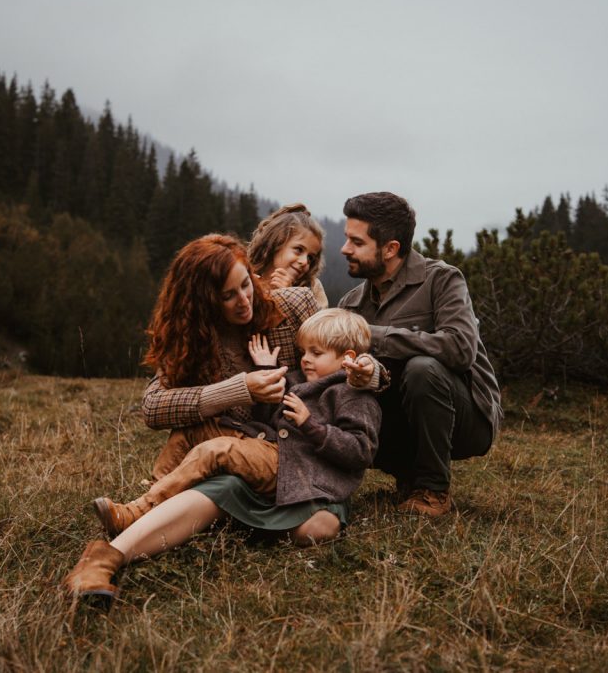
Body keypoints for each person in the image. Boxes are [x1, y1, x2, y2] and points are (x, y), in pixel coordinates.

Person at [60, 235, 377, 600]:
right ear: (203, 302)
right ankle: (138, 521)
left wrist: (366, 373)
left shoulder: (293, 306)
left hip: (298, 461)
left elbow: (347, 350)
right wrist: (241, 388)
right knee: (195, 441)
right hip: (252, 444)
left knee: (301, 515)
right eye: (227, 296)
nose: (244, 300)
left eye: (246, 284)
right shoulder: (195, 338)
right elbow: (154, 406)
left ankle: (147, 512)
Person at [90, 308, 381, 534]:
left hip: (294, 465)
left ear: (347, 358)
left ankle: (137, 514)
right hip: (267, 447)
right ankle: (153, 497)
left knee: (217, 450)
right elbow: (265, 418)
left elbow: (360, 452)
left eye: (316, 353)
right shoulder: (298, 379)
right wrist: (266, 370)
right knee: (192, 430)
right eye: (304, 351)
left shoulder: (352, 394)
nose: (305, 359)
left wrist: (311, 426)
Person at [337, 191, 503, 517]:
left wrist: (373, 335)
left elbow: (459, 349)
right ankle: (401, 475)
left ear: (390, 248)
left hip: (467, 419)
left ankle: (433, 489)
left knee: (422, 369)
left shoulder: (442, 280)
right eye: (346, 239)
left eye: (356, 242)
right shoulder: (351, 304)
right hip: (398, 415)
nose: (345, 249)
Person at [248, 203, 329, 309]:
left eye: (310, 258)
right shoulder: (247, 280)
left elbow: (320, 319)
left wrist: (290, 295)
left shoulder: (313, 288)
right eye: (299, 250)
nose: (305, 262)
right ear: (276, 242)